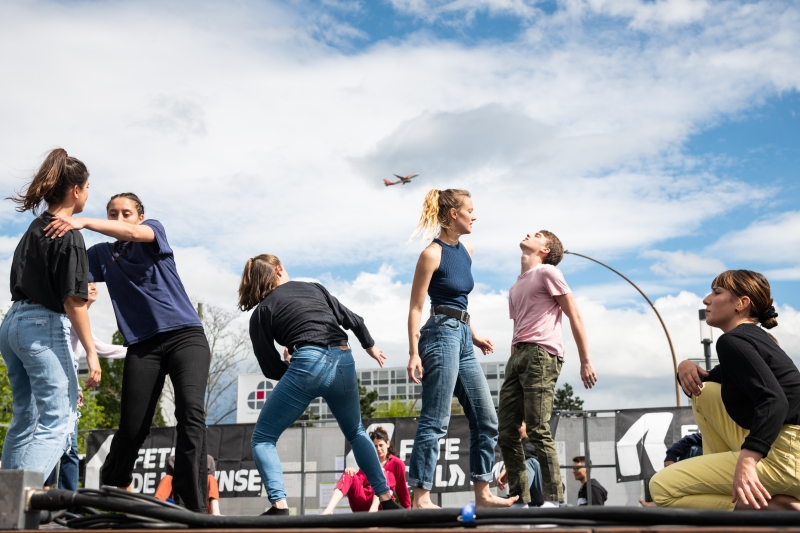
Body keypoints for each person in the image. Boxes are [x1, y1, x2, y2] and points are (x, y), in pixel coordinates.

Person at [43, 193, 211, 513]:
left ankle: (192, 507)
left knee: (190, 415)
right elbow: (66, 270)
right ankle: (112, 486)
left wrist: (84, 221)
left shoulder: (152, 233)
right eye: (112, 213)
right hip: (143, 346)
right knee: (132, 428)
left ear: (140, 216)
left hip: (185, 337)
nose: (119, 219)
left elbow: (132, 233)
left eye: (126, 213)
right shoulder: (102, 255)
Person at [238, 254, 401, 515]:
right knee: (356, 432)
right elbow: (355, 320)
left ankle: (279, 505)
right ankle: (386, 500)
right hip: (344, 359)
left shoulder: (262, 312)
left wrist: (293, 369)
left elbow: (269, 367)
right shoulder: (314, 288)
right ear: (278, 270)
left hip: (307, 363)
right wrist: (369, 345)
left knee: (263, 438)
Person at [649, 270, 800, 511]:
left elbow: (774, 401)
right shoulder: (756, 339)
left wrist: (748, 460)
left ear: (741, 303)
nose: (706, 299)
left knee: (661, 488)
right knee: (706, 392)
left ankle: (775, 507)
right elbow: (705, 382)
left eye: (716, 292)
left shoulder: (732, 342)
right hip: (790, 452)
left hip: (786, 459)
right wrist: (684, 366)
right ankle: (742, 492)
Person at [405, 189, 514, 509]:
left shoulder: (467, 249)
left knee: (486, 417)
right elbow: (416, 307)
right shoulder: (431, 254)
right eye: (470, 210)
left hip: (463, 335)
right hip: (440, 336)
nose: (474, 215)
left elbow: (460, 302)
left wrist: (475, 334)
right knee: (436, 419)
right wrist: (413, 351)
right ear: (454, 214)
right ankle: (421, 495)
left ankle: (482, 493)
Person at [1, 148, 101, 477]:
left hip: (13, 323)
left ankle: (6, 508)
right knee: (59, 420)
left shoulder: (35, 228)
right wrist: (91, 352)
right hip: (41, 326)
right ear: (76, 190)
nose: (88, 194)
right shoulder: (70, 235)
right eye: (87, 187)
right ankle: (15, 509)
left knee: (25, 417)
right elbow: (72, 302)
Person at [498, 230, 596, 508]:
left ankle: (554, 499)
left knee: (538, 428)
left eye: (537, 235)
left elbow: (573, 313)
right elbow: (518, 325)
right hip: (518, 355)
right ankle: (520, 497)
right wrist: (513, 355)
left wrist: (585, 359)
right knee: (506, 430)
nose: (530, 233)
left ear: (545, 249)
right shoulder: (516, 285)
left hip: (542, 354)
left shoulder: (549, 272)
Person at [44, 282, 127, 491]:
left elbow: (101, 348)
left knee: (68, 448)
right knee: (58, 444)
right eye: (88, 283)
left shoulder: (81, 321)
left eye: (95, 284)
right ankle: (47, 495)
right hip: (54, 385)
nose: (93, 287)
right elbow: (84, 352)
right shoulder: (67, 314)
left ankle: (64, 503)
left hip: (67, 387)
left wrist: (140, 349)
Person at [322, 426, 411, 513]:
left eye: (381, 445)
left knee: (381, 472)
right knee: (349, 473)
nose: (378, 449)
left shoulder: (397, 463)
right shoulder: (369, 461)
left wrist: (408, 514)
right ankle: (329, 510)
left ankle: (373, 510)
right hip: (363, 502)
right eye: (375, 446)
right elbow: (358, 480)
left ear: (387, 444)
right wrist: (351, 472)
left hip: (382, 504)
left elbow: (402, 491)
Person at [497, 422, 545, 507]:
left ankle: (519, 499)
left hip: (543, 491)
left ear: (527, 425)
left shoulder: (534, 441)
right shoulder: (515, 446)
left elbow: (526, 453)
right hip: (531, 498)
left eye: (519, 425)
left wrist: (506, 469)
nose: (516, 429)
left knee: (530, 462)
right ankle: (518, 499)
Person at [155, 455, 222, 516]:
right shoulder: (172, 460)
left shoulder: (208, 459)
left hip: (201, 499)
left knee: (210, 478)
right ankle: (155, 509)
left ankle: (215, 511)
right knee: (167, 478)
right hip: (178, 501)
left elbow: (211, 485)